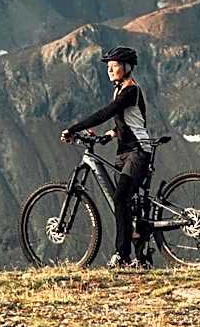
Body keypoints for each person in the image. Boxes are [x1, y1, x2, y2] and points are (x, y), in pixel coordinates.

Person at [60, 46, 152, 269]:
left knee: (120, 199)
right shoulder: (120, 90)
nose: (110, 70)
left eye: (115, 66)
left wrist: (74, 128)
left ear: (127, 68)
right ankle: (141, 259)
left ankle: (122, 255)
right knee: (128, 204)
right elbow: (127, 122)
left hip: (137, 151)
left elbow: (106, 113)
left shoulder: (131, 91)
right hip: (125, 152)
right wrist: (107, 136)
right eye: (108, 67)